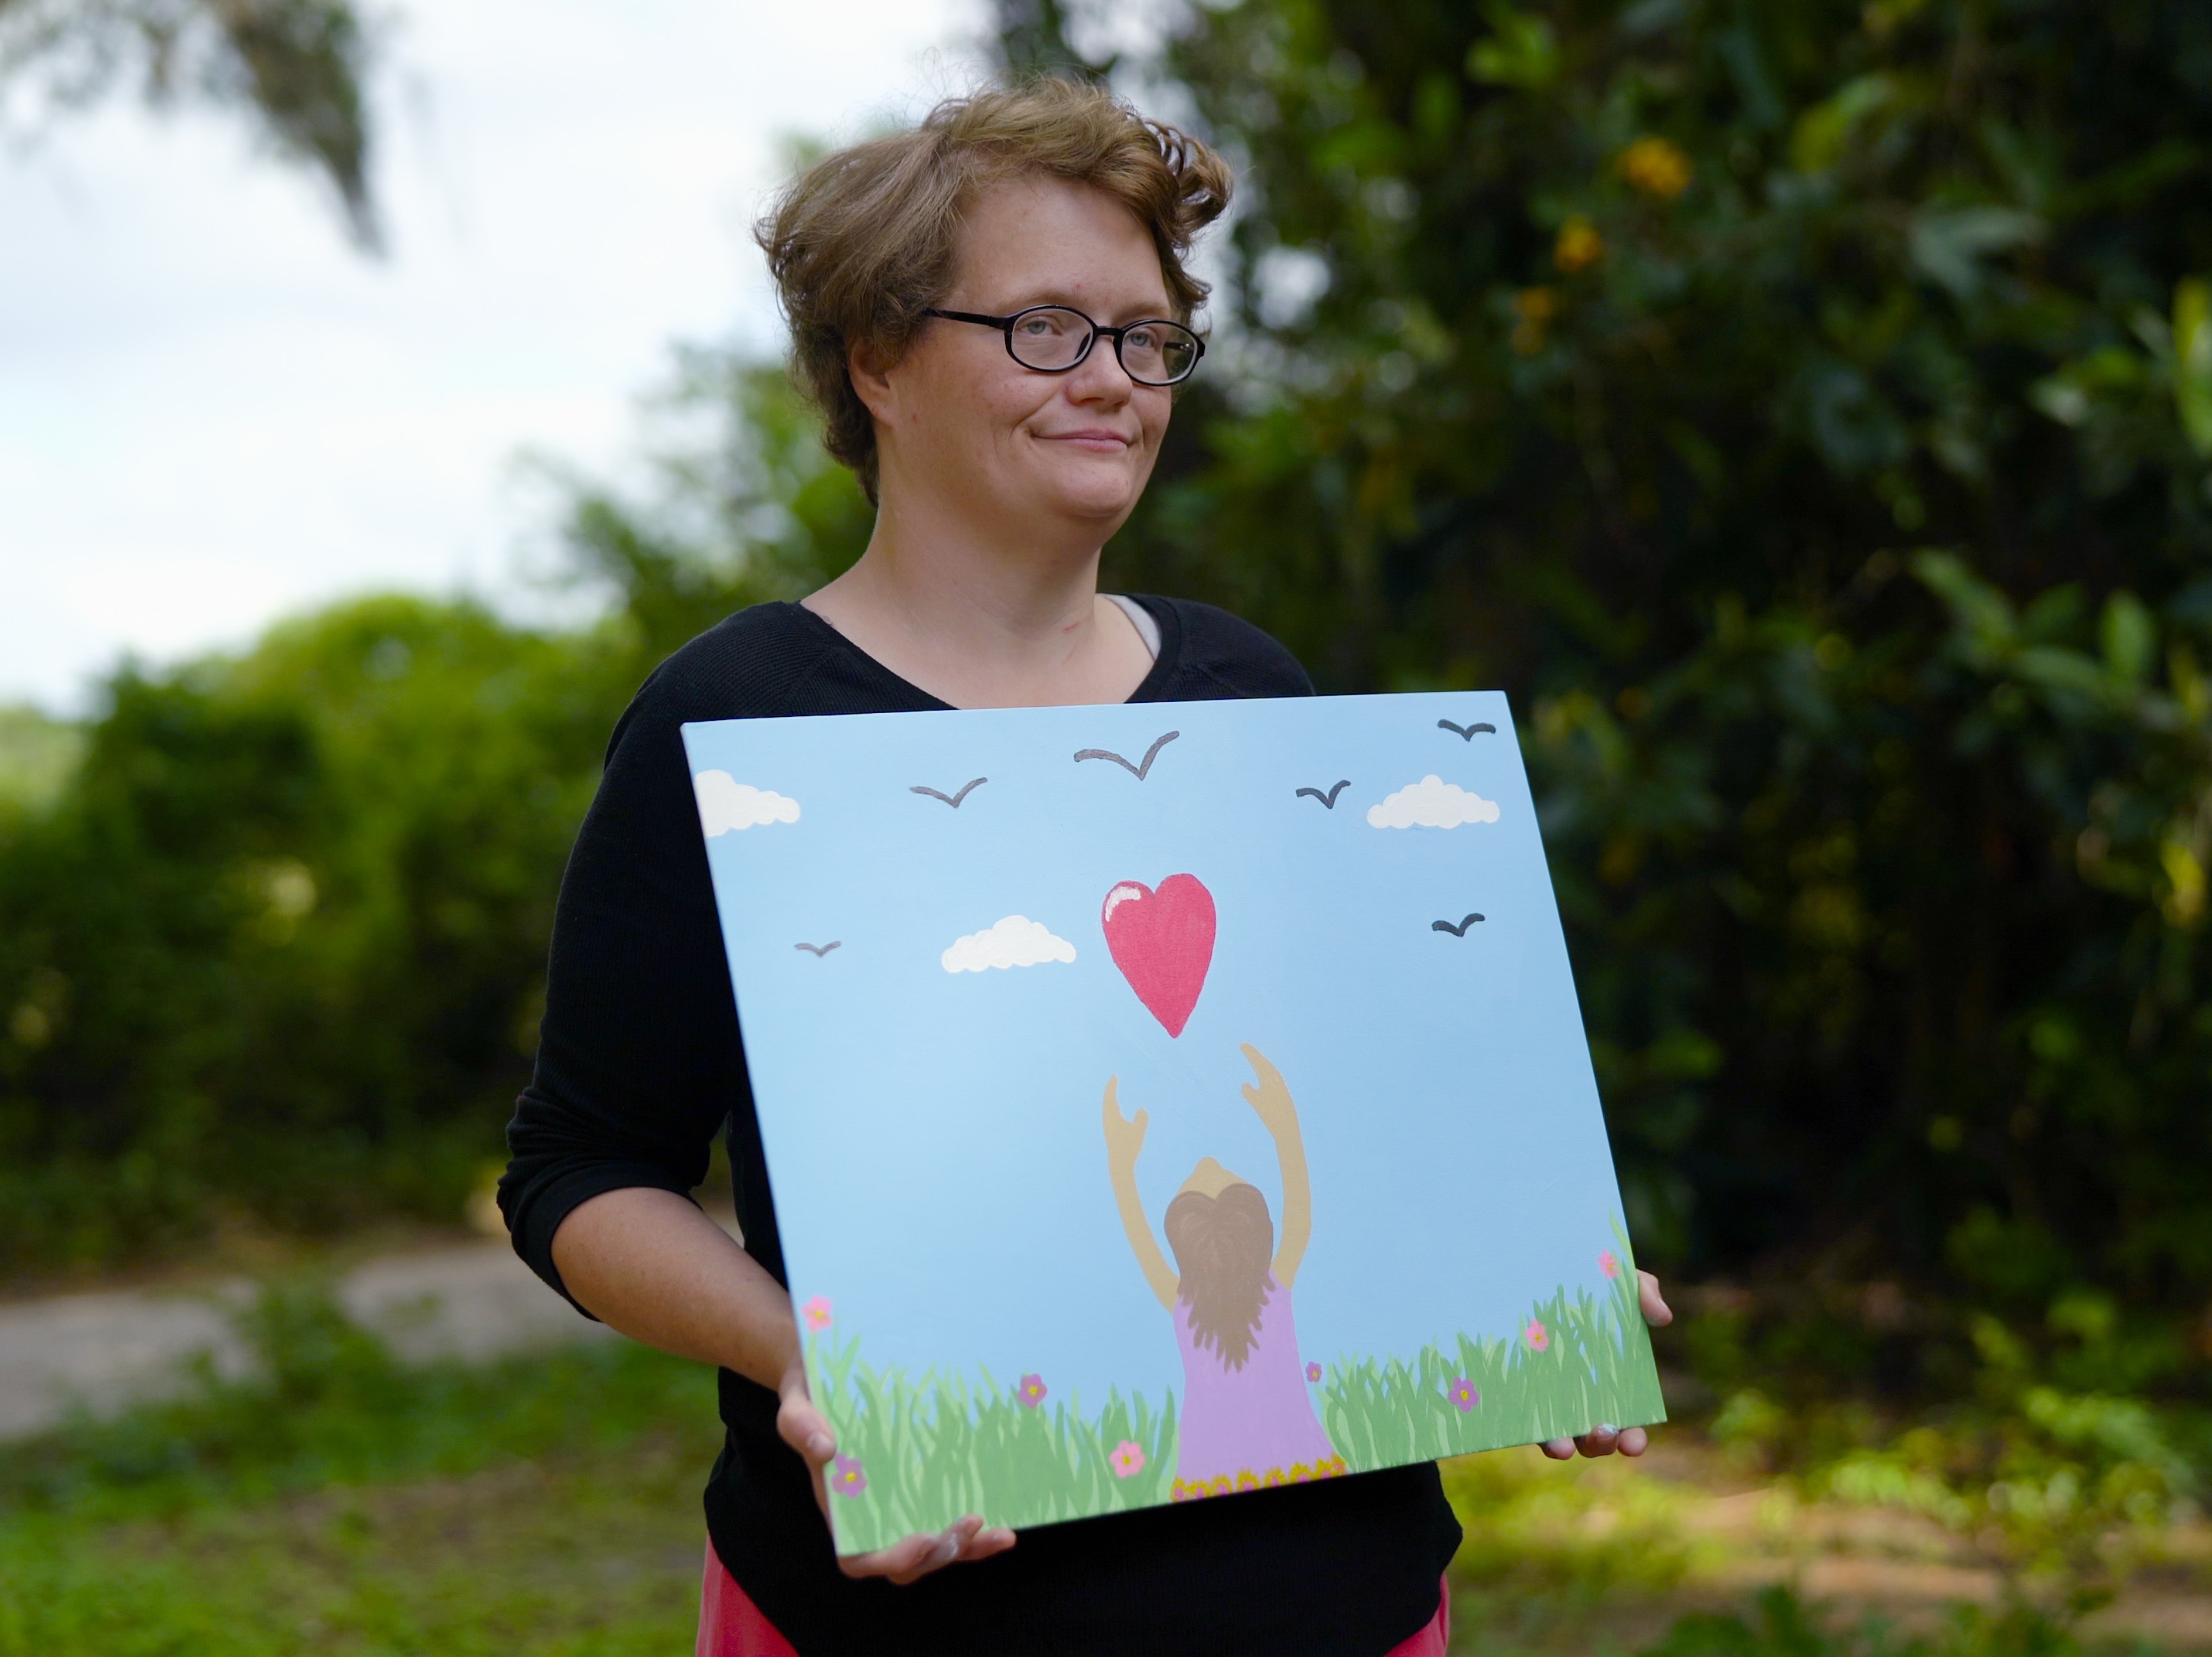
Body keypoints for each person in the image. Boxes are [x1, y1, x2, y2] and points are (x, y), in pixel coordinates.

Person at [498, 77, 1673, 1656]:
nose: (1112, 377)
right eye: (1045, 327)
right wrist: (810, 1361)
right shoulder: (732, 720)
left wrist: (1518, 1275)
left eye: (1144, 335)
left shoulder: (1248, 691)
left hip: (1340, 1605)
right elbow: (578, 1171)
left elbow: (1352, 1099)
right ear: (876, 360)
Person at [1105, 1046, 1346, 1501]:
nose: (1207, 1163)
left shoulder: (1181, 1301)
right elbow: (1300, 1214)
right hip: (1295, 1457)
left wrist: (1121, 1165)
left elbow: (1138, 1236)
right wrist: (1284, 1126)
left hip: (1210, 1470)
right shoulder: (1275, 1284)